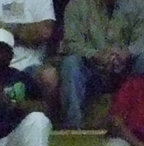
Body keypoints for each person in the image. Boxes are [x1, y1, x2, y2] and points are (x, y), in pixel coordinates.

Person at [58, 0, 144, 130]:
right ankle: (74, 128)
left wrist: (127, 53)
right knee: (70, 64)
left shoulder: (139, 4)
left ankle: (138, 128)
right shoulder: (77, 5)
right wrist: (96, 55)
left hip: (127, 70)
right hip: (92, 72)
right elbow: (71, 44)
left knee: (143, 60)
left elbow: (141, 41)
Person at [0, 0, 60, 108]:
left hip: (30, 66)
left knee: (49, 76)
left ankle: (46, 117)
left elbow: (44, 32)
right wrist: (25, 32)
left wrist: (5, 29)